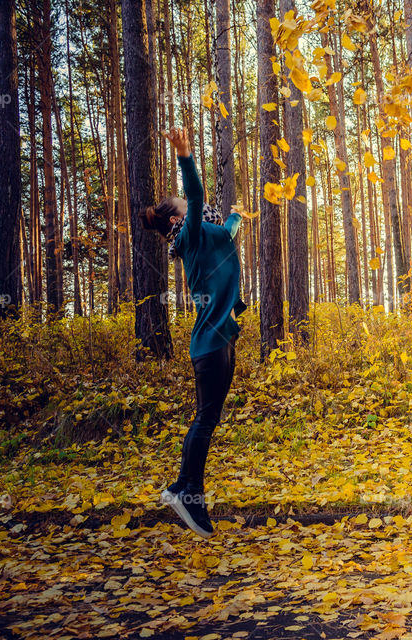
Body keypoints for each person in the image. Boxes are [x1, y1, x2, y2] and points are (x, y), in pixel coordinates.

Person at [141, 128, 245, 539]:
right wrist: (185, 156)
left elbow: (228, 232)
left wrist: (237, 216)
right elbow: (198, 197)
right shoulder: (191, 235)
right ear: (176, 220)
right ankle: (188, 492)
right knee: (205, 419)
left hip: (220, 340)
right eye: (186, 208)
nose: (194, 208)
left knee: (208, 418)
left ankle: (182, 488)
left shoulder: (205, 237)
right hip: (211, 343)